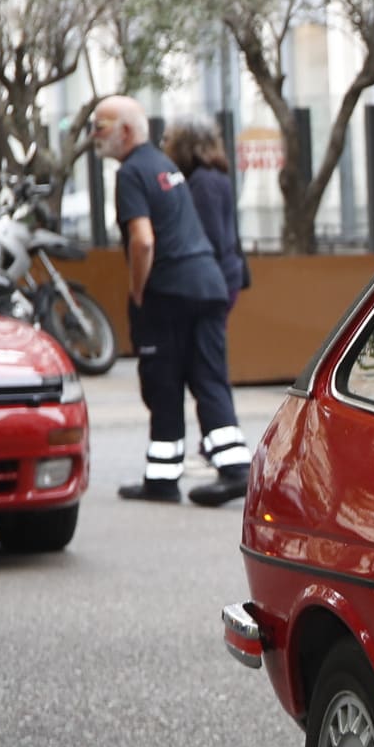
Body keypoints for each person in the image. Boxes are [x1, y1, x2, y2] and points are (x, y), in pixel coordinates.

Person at [92, 97, 242, 507]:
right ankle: (235, 469)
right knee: (208, 377)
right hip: (207, 285)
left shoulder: (131, 173)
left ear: (125, 131)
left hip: (169, 290)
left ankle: (162, 480)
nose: (93, 136)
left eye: (100, 126)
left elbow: (142, 240)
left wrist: (139, 292)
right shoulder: (164, 164)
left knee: (163, 382)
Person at [166, 122, 250, 314]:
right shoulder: (212, 176)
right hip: (221, 277)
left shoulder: (204, 182)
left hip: (213, 282)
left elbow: (211, 235)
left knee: (206, 341)